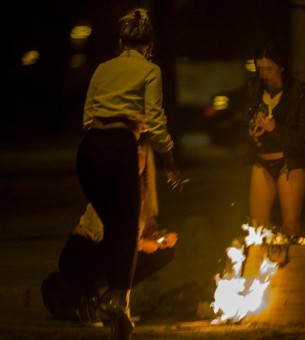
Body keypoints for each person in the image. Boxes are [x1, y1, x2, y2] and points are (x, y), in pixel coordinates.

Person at [75, 7, 183, 340]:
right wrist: (169, 161)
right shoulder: (150, 71)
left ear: (122, 43)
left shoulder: (102, 69)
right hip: (120, 146)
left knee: (113, 228)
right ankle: (117, 300)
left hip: (89, 150)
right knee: (125, 230)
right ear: (149, 46)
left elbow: (87, 115)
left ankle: (115, 308)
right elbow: (156, 120)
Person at [46, 136, 178, 327]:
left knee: (165, 253)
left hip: (113, 254)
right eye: (132, 156)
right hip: (80, 256)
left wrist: (159, 237)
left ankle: (111, 301)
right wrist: (140, 245)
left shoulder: (142, 188)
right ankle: (87, 301)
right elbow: (106, 236)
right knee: (106, 251)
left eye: (141, 157)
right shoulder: (110, 186)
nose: (137, 162)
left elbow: (147, 225)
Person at [242, 42, 305, 239]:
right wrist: (251, 130)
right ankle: (261, 267)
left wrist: (274, 129)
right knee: (257, 226)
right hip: (262, 160)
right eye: (260, 68)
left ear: (281, 66)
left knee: (290, 224)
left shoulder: (298, 92)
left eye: (269, 69)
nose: (264, 74)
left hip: (288, 162)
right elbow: (245, 120)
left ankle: (292, 265)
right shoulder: (255, 88)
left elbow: (302, 138)